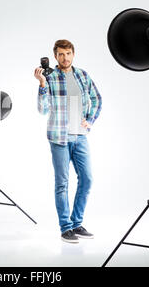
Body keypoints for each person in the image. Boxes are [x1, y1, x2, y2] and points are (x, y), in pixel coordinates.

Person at [34, 39, 102, 243]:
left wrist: (89, 120)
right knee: (62, 184)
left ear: (73, 54)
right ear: (55, 56)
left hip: (80, 136)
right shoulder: (51, 77)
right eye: (61, 54)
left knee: (87, 179)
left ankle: (77, 223)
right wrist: (42, 85)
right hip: (59, 137)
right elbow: (43, 110)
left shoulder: (82, 75)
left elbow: (96, 98)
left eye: (68, 53)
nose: (65, 58)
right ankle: (66, 228)